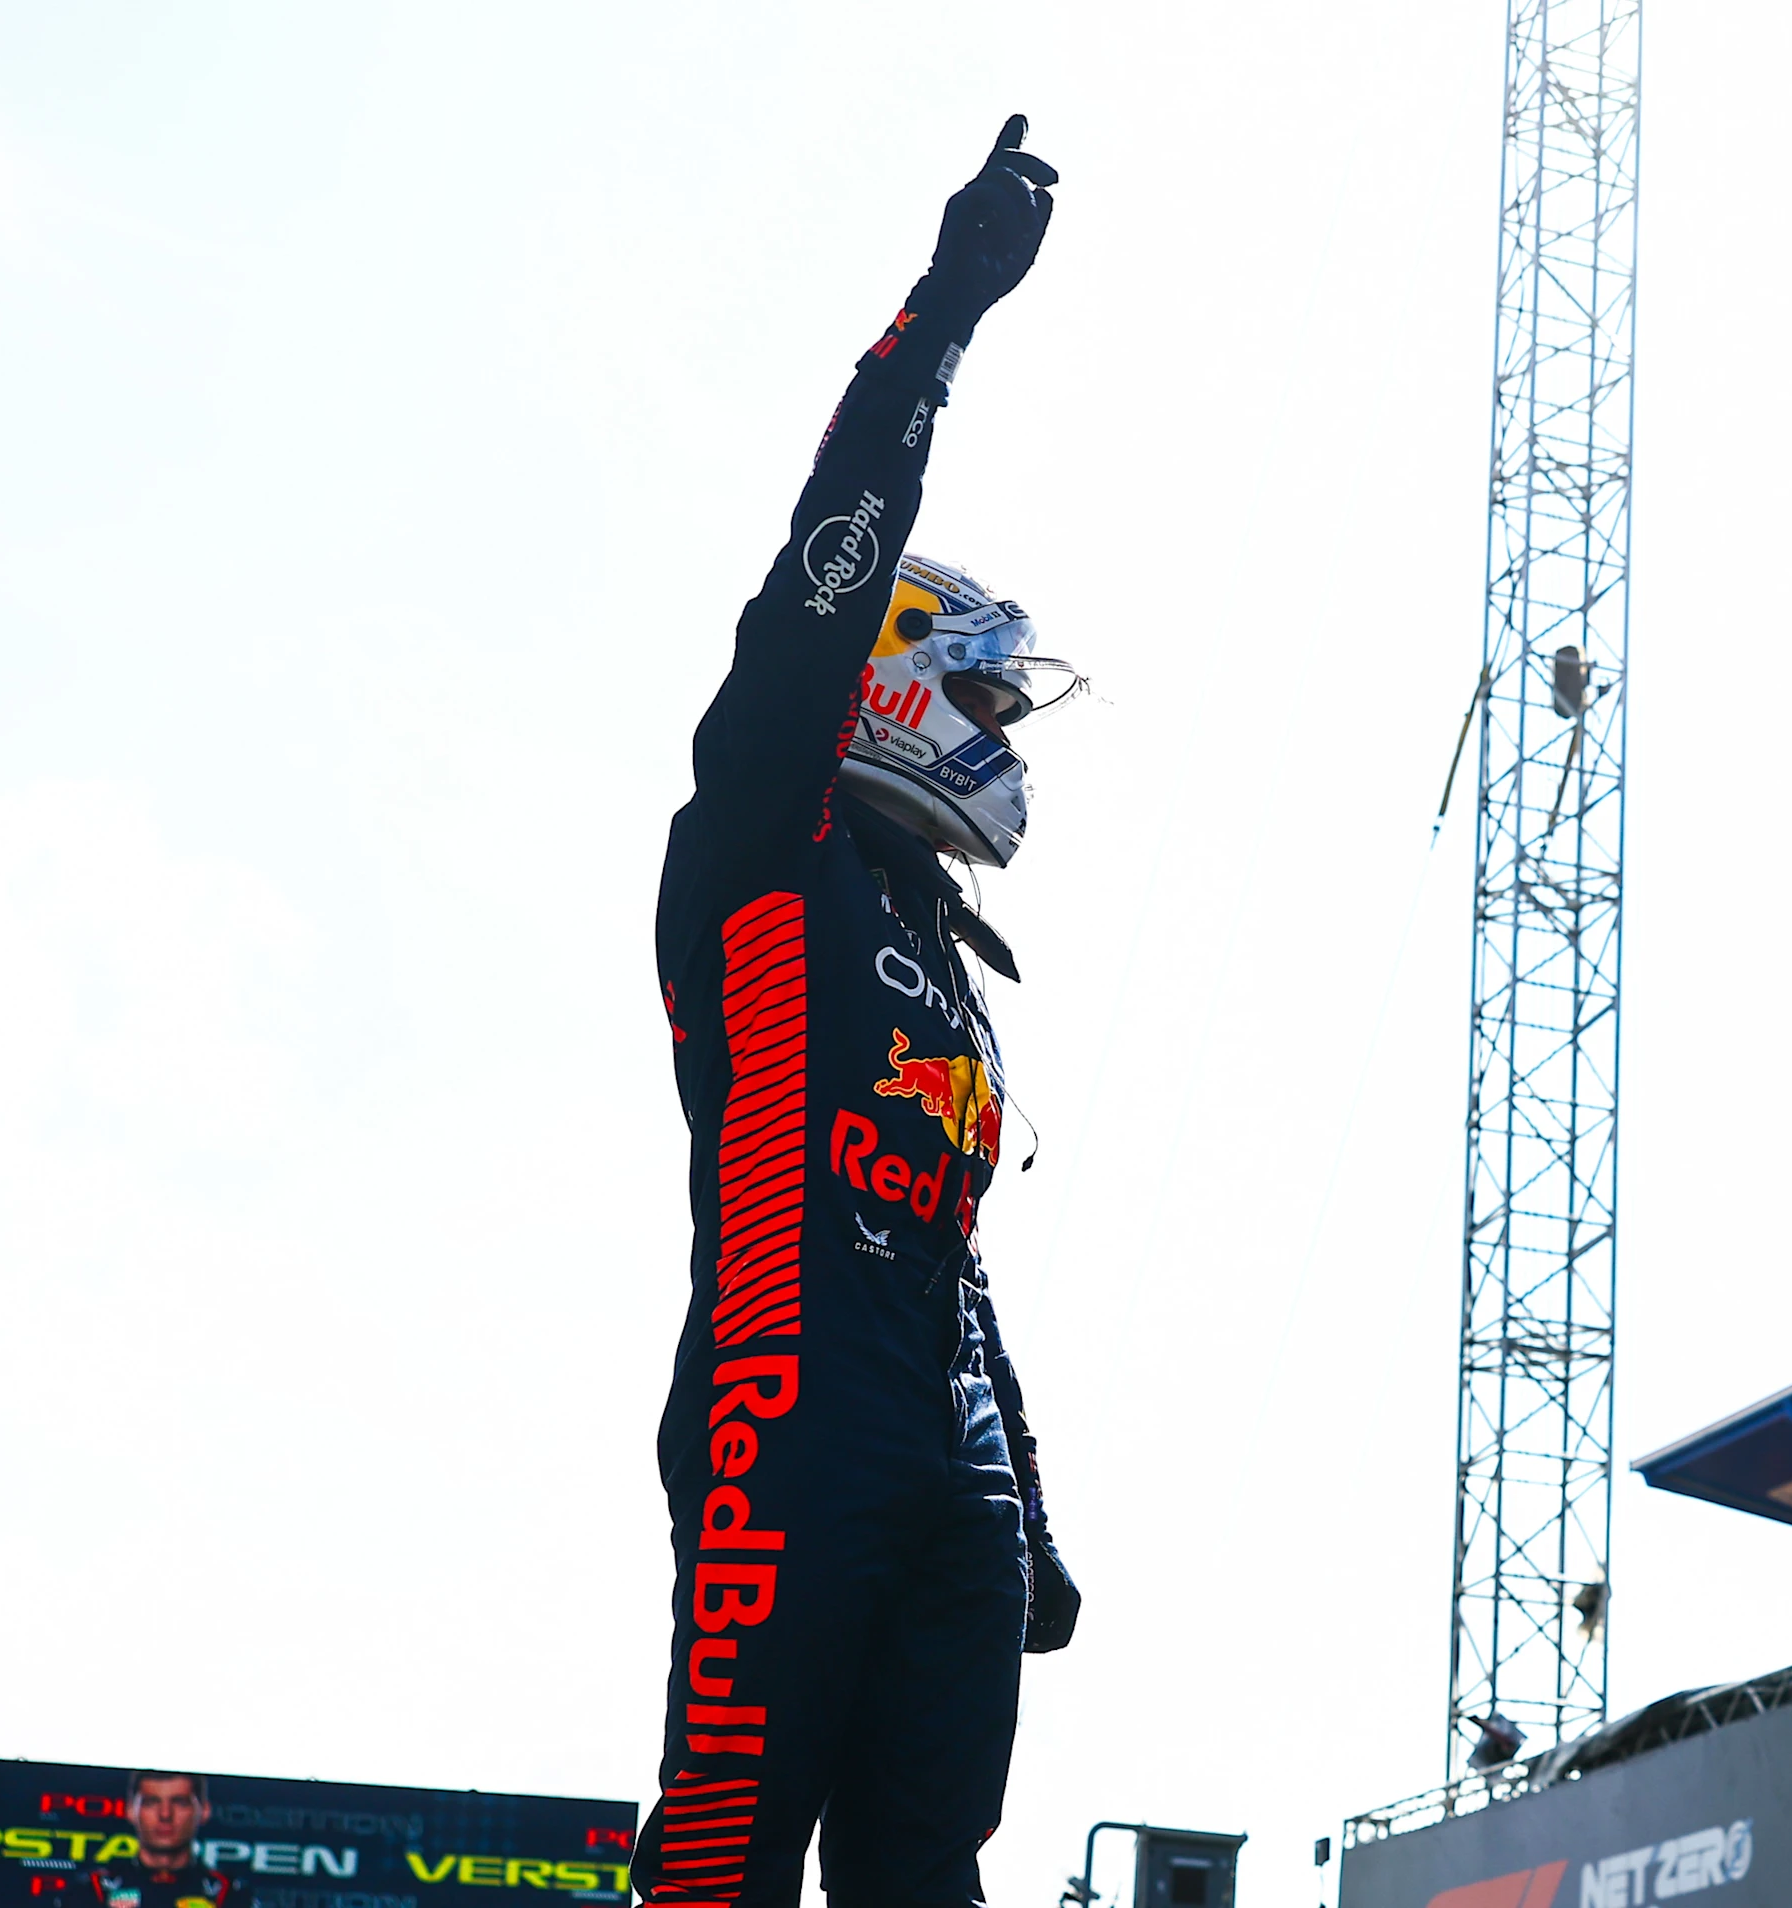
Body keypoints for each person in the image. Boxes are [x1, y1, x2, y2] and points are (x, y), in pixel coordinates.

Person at [639, 117, 1081, 1908]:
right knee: (730, 1858)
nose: (1007, 736)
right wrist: (943, 315)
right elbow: (831, 542)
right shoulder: (768, 823)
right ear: (894, 676)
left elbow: (952, 1251)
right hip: (780, 1404)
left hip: (943, 1449)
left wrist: (1029, 1503)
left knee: (929, 1876)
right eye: (985, 698)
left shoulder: (941, 947)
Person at [89, 1771, 245, 1908]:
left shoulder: (229, 1893)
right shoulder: (95, 1889)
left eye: (180, 1802)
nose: (165, 1815)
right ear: (130, 1811)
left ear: (204, 1811)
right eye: (151, 1802)